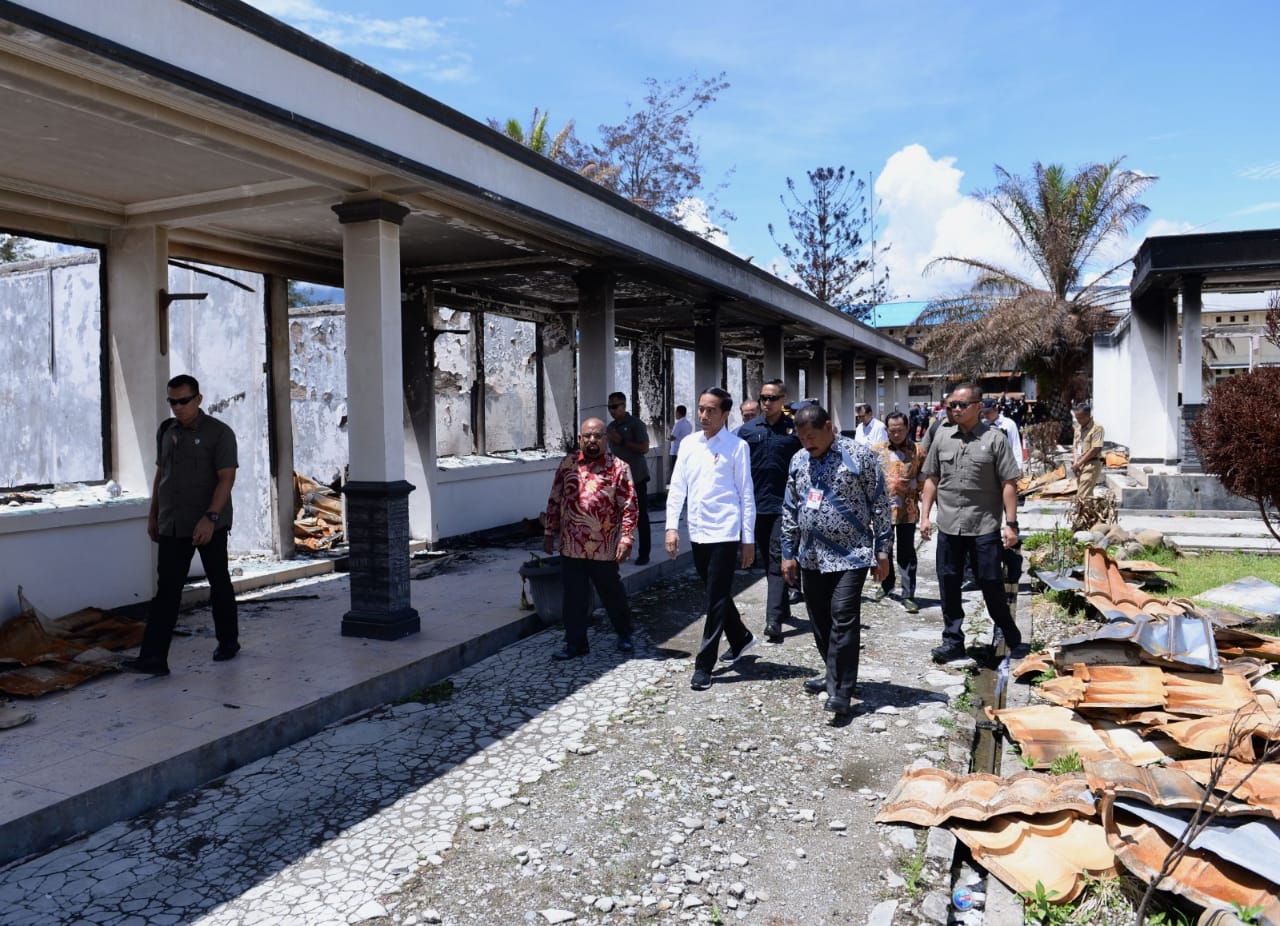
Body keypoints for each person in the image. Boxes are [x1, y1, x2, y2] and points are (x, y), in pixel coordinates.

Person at [122, 374, 238, 676]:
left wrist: (211, 518)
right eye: (172, 402)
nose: (178, 408)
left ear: (198, 399)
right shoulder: (167, 431)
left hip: (208, 525)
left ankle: (228, 641)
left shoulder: (219, 433)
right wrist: (153, 515)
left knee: (219, 583)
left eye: (183, 401)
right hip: (173, 524)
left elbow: (227, 479)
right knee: (167, 592)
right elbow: (162, 476)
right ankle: (153, 658)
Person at [781, 404, 891, 718]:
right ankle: (834, 674)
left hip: (851, 555)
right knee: (819, 620)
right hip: (811, 556)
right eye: (802, 438)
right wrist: (788, 553)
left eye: (812, 437)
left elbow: (880, 505)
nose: (807, 444)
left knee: (843, 617)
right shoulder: (799, 460)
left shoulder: (860, 457)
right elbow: (790, 509)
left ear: (830, 427)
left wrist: (883, 552)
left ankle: (842, 691)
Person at [918, 383, 1024, 665]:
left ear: (978, 407)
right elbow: (931, 479)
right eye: (951, 405)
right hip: (950, 526)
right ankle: (952, 641)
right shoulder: (942, 438)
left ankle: (1007, 633)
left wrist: (1011, 524)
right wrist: (924, 515)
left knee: (990, 583)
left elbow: (1009, 483)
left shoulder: (995, 439)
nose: (954, 409)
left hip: (984, 527)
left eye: (961, 405)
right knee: (949, 583)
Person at [665, 387, 756, 691]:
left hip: (726, 531)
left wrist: (748, 539)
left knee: (713, 598)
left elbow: (746, 494)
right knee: (715, 591)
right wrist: (671, 527)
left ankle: (704, 665)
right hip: (698, 531)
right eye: (701, 409)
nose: (704, 415)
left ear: (725, 414)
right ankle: (741, 636)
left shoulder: (736, 446)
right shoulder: (689, 444)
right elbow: (677, 487)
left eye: (711, 410)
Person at [543, 417, 638, 659]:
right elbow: (555, 498)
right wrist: (548, 533)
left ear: (605, 439)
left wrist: (626, 539)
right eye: (587, 436)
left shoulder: (619, 468)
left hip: (603, 547)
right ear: (580, 439)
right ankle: (575, 644)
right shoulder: (568, 464)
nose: (592, 440)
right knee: (574, 597)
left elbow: (629, 506)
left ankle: (625, 634)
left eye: (597, 436)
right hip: (571, 546)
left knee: (611, 593)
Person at [738, 379, 801, 642]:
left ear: (783, 399)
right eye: (763, 397)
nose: (766, 402)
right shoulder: (747, 431)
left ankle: (773, 620)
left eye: (772, 398)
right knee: (766, 558)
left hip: (784, 506)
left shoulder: (794, 431)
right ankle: (783, 605)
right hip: (755, 506)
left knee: (777, 558)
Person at [871, 411, 926, 613]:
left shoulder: (918, 451)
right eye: (892, 431)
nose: (896, 434)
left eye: (900, 430)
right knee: (884, 550)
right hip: (882, 512)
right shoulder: (876, 451)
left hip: (907, 511)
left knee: (906, 552)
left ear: (907, 429)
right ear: (886, 430)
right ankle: (886, 585)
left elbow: (924, 480)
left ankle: (908, 593)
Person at [983, 398, 1025, 606]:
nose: (986, 415)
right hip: (988, 480)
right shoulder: (981, 427)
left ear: (996, 410)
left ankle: (1010, 566)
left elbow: (1016, 446)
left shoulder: (1007, 425)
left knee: (1006, 524)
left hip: (1005, 475)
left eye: (989, 412)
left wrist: (1018, 470)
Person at [606, 392, 652, 565]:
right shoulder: (610, 427)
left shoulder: (635, 424)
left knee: (640, 517)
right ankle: (617, 551)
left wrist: (622, 441)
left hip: (636, 476)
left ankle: (644, 553)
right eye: (610, 407)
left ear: (624, 406)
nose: (612, 410)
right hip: (617, 479)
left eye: (615, 407)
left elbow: (644, 447)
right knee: (615, 516)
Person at [1072, 400, 1105, 502]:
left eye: (1080, 418)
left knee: (1081, 497)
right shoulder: (1078, 428)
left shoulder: (1097, 428)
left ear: (1088, 415)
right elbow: (1075, 447)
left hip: (1091, 464)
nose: (1078, 421)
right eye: (1077, 418)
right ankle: (1093, 517)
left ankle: (1080, 517)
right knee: (1087, 497)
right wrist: (1076, 462)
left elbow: (1095, 449)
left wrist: (1079, 463)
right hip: (1080, 465)